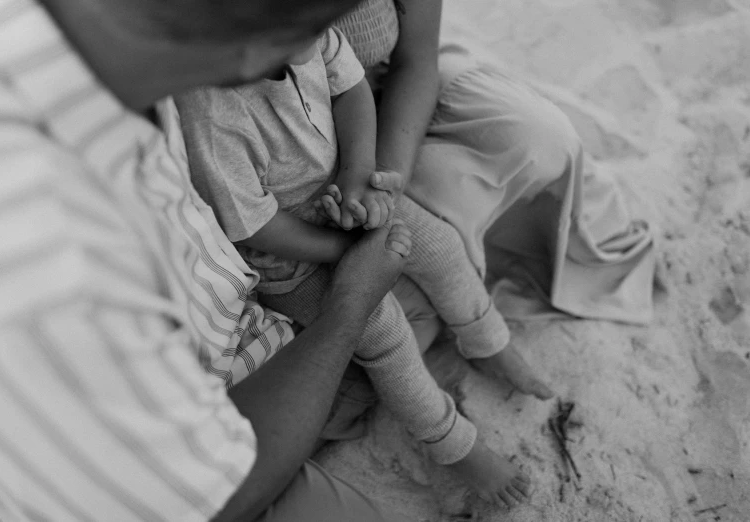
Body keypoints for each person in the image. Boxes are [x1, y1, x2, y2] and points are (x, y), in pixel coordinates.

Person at [0, 0, 428, 520]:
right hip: (166, 457)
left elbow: (372, 78)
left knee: (404, 335)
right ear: (263, 60)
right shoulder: (53, 265)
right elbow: (218, 495)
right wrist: (350, 303)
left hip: (233, 312)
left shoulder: (111, 43)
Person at [174, 25, 546, 506]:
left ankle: (485, 338)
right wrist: (342, 251)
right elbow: (254, 225)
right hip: (290, 257)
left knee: (441, 246)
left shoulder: (308, 29)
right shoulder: (210, 113)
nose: (321, 36)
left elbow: (350, 91)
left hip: (345, 191)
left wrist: (358, 177)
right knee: (383, 331)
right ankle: (452, 445)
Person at [335, 0, 655, 325]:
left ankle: (512, 259)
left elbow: (416, 60)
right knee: (441, 200)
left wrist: (391, 174)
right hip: (317, 129)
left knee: (541, 140)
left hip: (395, 79)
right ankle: (469, 284)